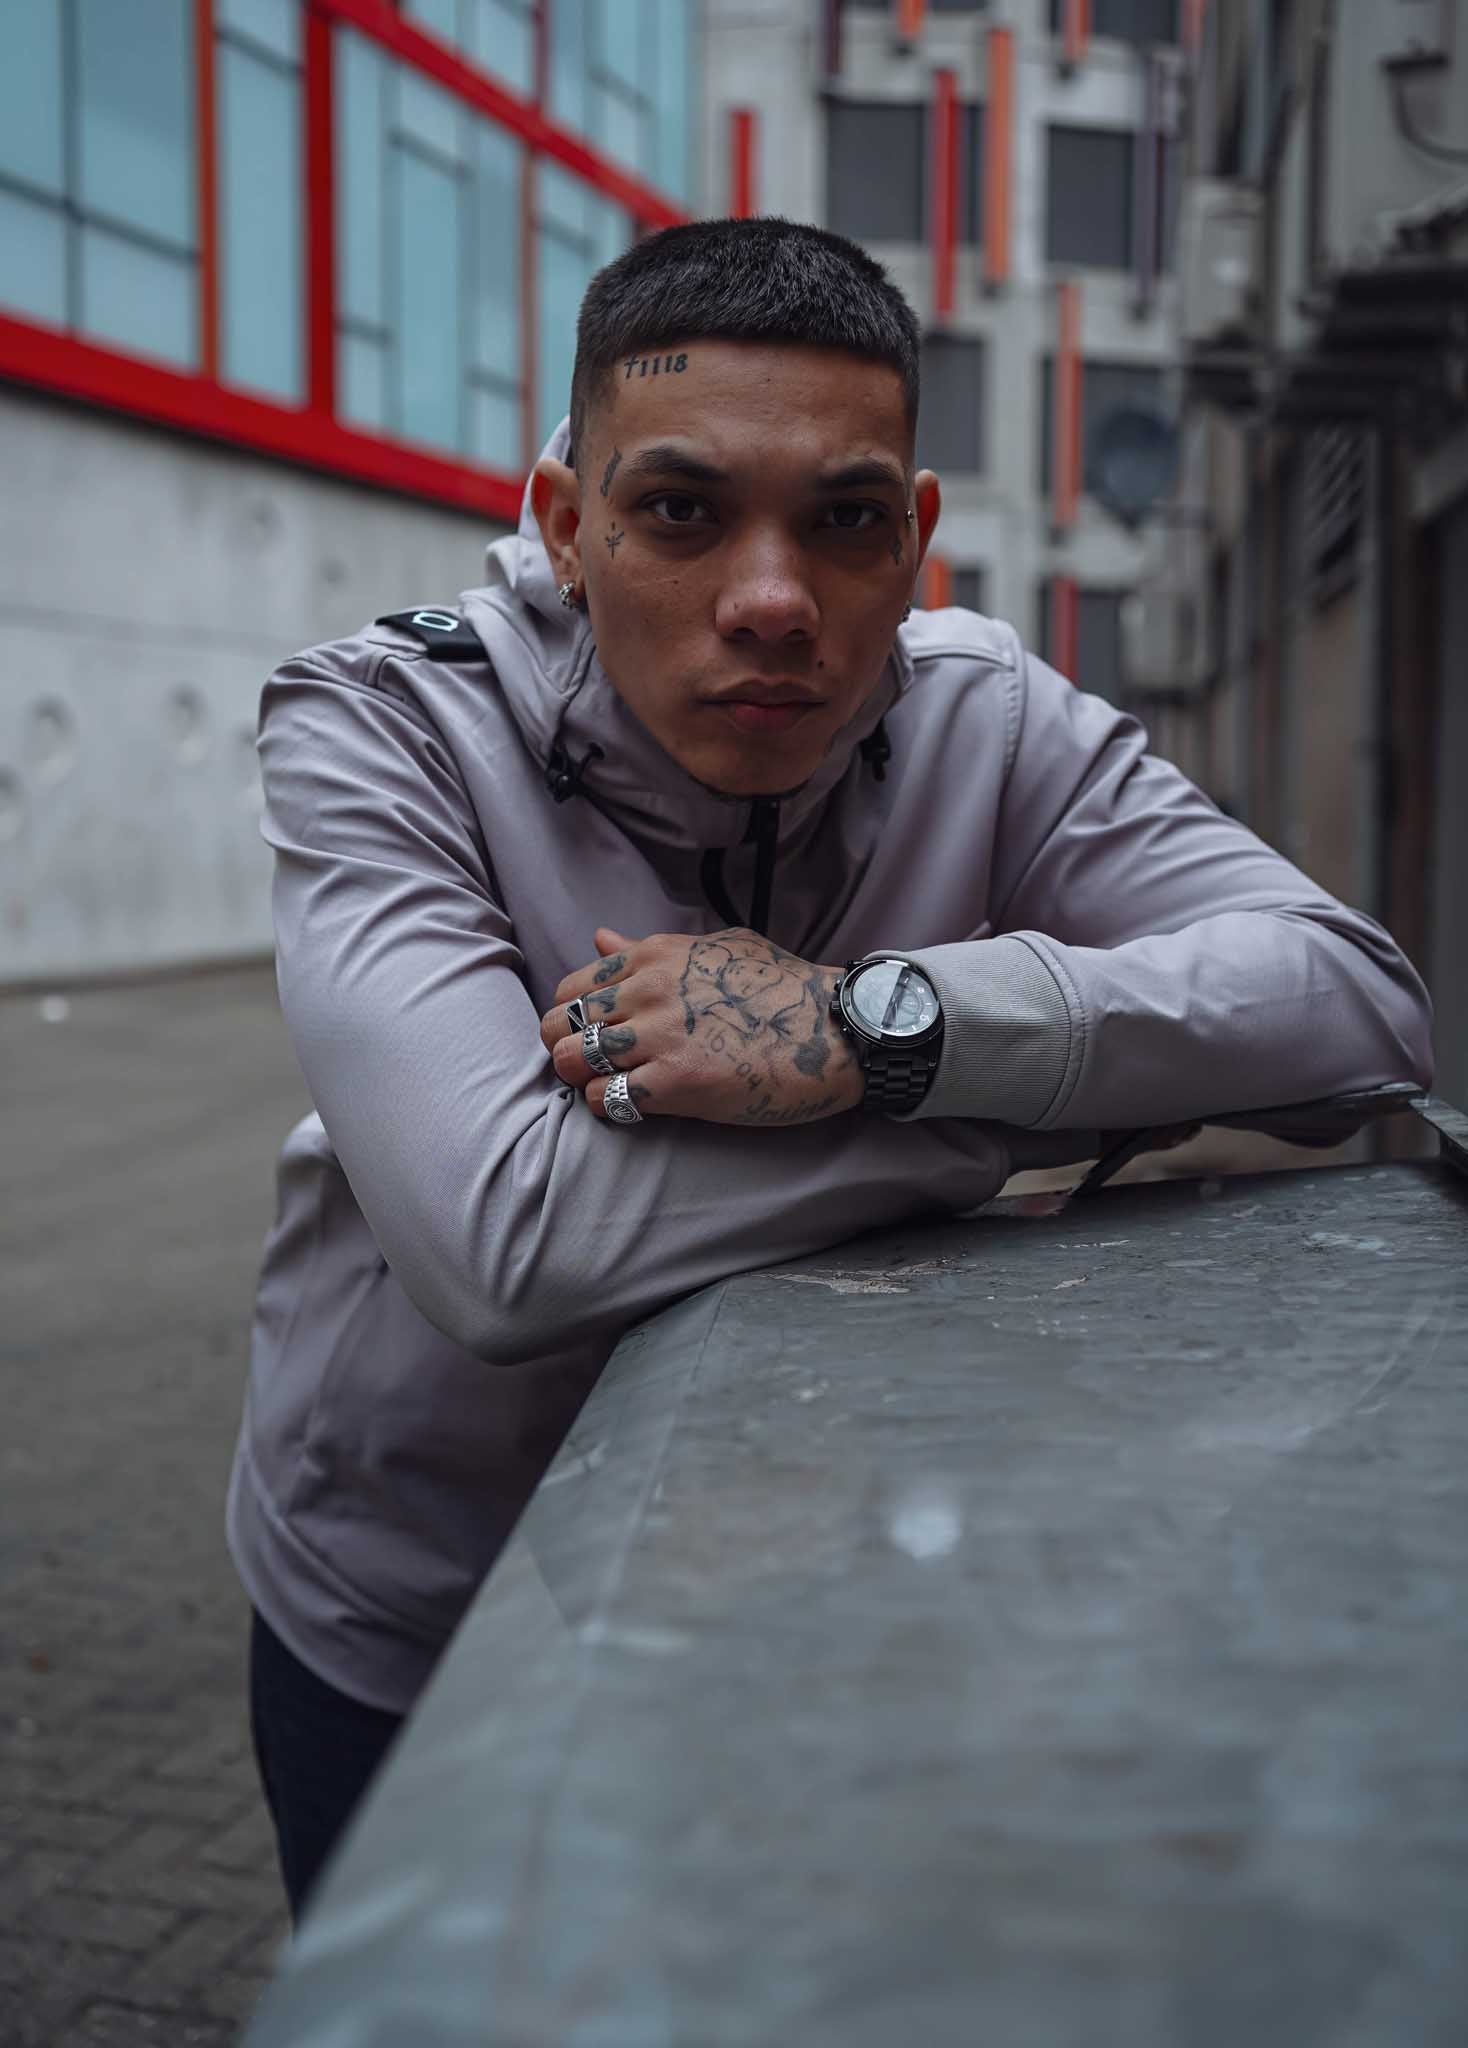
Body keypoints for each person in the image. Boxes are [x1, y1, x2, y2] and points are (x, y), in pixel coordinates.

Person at [231, 217, 1432, 1919]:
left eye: (846, 522)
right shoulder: (383, 724)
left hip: (819, 1592)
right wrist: (1001, 1103)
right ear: (567, 522)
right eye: (680, 511)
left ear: (916, 536)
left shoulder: (984, 718)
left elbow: (1359, 1007)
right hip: (413, 1602)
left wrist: (874, 1029)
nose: (774, 601)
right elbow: (500, 1245)